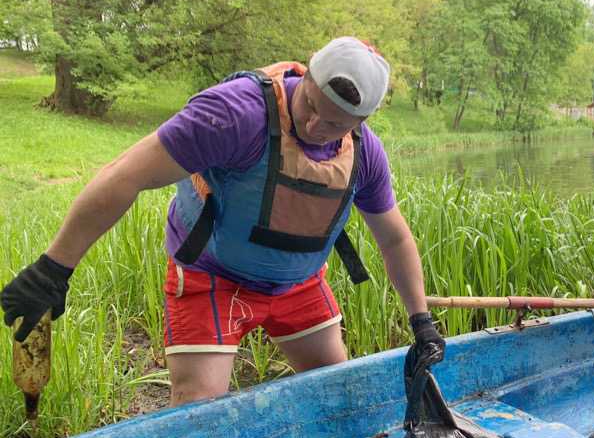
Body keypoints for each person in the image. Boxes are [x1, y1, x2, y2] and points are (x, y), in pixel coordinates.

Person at [1, 37, 444, 406]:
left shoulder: (365, 154)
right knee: (198, 407)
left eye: (334, 124)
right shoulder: (235, 115)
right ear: (305, 75)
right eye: (310, 103)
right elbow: (126, 174)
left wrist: (420, 320)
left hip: (297, 283)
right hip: (210, 277)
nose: (313, 123)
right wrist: (53, 268)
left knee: (337, 392)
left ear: (361, 122)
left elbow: (394, 239)